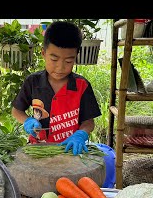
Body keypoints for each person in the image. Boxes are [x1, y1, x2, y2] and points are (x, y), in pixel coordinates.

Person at [11, 21, 101, 155]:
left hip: (69, 150)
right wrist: (27, 121)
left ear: (75, 57)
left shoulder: (82, 86)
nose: (60, 67)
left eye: (69, 61)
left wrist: (81, 135)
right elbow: (16, 111)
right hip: (38, 150)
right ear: (43, 53)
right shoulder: (33, 82)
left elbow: (88, 122)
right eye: (54, 59)